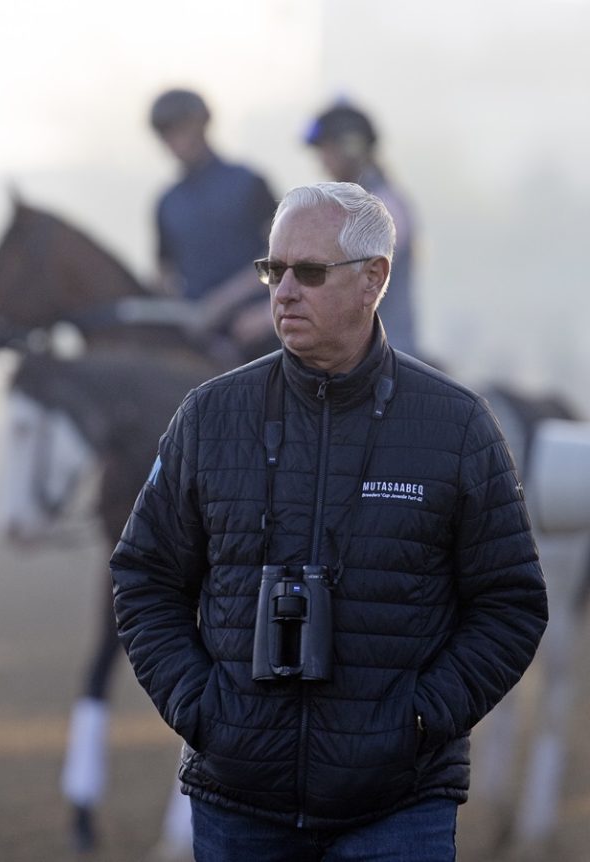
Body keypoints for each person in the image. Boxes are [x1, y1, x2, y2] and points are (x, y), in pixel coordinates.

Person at [111, 182, 548, 861]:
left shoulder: (456, 426)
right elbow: (143, 578)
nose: (282, 291)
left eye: (308, 272)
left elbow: (511, 603)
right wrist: (203, 711)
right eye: (272, 269)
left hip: (400, 807)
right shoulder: (210, 417)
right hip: (237, 803)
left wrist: (422, 718)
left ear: (374, 278)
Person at [149, 88, 280, 362]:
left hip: (261, 330)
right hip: (201, 343)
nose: (173, 141)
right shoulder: (167, 203)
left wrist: (225, 302)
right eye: (165, 133)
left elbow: (285, 257)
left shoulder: (249, 183)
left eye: (179, 128)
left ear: (201, 125)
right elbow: (164, 275)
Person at [304, 101, 420, 357]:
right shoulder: (349, 207)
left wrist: (267, 318)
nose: (322, 162)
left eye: (327, 150)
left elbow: (344, 281)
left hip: (386, 360)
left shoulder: (386, 208)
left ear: (352, 148)